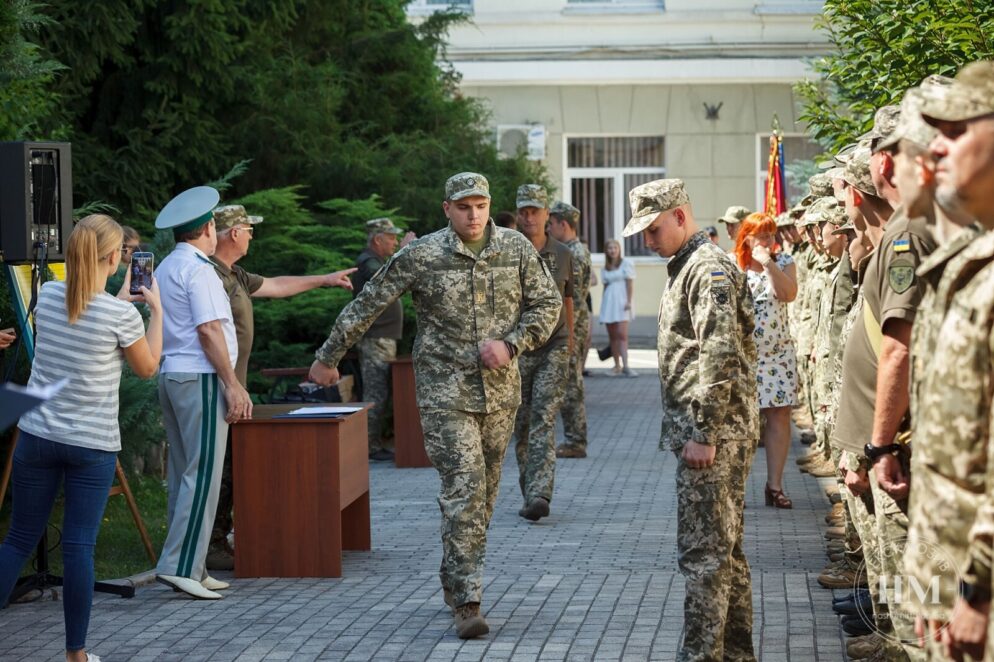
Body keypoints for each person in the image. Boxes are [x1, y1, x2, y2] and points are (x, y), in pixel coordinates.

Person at [307, 172, 560, 639]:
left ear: (489, 205)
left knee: (483, 498)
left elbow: (547, 306)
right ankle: (468, 601)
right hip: (446, 394)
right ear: (447, 209)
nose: (473, 214)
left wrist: (513, 343)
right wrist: (328, 356)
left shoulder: (517, 249)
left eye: (481, 205)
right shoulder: (422, 254)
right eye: (463, 206)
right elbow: (368, 302)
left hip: (501, 393)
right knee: (465, 488)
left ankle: (454, 574)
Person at [0, 214, 162, 662]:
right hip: (90, 445)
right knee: (78, 548)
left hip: (36, 436)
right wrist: (157, 311)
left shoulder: (48, 295)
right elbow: (148, 369)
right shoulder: (122, 315)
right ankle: (76, 655)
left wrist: (119, 301)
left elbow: (82, 311)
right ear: (114, 258)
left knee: (17, 540)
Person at [626, 178, 759, 662]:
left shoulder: (706, 270)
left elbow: (719, 355)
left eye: (654, 228)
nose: (648, 240)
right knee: (726, 554)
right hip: (718, 432)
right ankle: (738, 654)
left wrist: (703, 433)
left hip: (714, 436)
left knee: (703, 558)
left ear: (681, 216)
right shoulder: (687, 267)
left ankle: (702, 655)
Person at [205, 205, 356, 571]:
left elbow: (275, 285)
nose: (252, 235)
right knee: (220, 468)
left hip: (233, 386)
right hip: (217, 387)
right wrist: (229, 384)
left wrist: (323, 279)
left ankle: (218, 538)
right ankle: (209, 544)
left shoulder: (234, 274)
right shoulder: (209, 276)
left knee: (230, 465)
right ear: (232, 234)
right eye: (248, 229)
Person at [912, 61, 994, 659]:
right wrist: (937, 584)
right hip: (953, 571)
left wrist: (977, 589)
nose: (936, 146)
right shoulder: (970, 260)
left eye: (957, 130)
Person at [153, 186, 252, 600]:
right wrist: (233, 385)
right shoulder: (200, 269)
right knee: (203, 474)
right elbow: (210, 330)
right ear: (210, 228)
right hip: (200, 377)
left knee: (184, 473)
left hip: (174, 375)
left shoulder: (166, 266)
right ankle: (178, 566)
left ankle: (192, 565)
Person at [512, 185, 574, 521]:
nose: (529, 216)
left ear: (547, 215)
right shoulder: (506, 252)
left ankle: (540, 492)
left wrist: (572, 344)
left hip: (554, 345)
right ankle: (529, 493)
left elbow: (569, 300)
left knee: (543, 419)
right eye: (523, 210)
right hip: (519, 348)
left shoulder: (563, 253)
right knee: (520, 425)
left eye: (535, 210)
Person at [735, 212, 798, 509]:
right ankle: (737, 486)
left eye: (771, 235)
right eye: (761, 235)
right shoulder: (735, 265)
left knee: (779, 416)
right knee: (744, 421)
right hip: (744, 354)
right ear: (746, 237)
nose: (768, 240)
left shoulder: (784, 262)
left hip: (777, 354)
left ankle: (774, 486)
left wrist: (768, 262)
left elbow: (786, 294)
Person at [353, 217, 416, 462]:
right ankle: (369, 446)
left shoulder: (376, 261)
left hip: (383, 338)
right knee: (375, 393)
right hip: (375, 338)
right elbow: (383, 281)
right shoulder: (368, 263)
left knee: (381, 392)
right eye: (391, 237)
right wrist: (404, 253)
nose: (395, 241)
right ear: (377, 240)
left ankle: (374, 442)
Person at [548, 201, 592, 460]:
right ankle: (575, 438)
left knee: (571, 384)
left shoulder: (572, 253)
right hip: (573, 318)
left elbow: (571, 295)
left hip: (571, 320)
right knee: (570, 380)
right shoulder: (577, 250)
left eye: (551, 224)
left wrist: (570, 331)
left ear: (563, 224)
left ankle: (576, 440)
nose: (549, 228)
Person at [599, 238, 635, 376]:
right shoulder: (605, 269)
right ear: (606, 251)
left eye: (615, 247)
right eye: (610, 248)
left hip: (622, 302)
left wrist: (629, 301)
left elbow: (630, 284)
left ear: (619, 249)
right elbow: (605, 287)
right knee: (613, 337)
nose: (613, 250)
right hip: (609, 303)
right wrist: (603, 308)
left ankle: (626, 366)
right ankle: (616, 366)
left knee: (622, 335)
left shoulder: (626, 264)